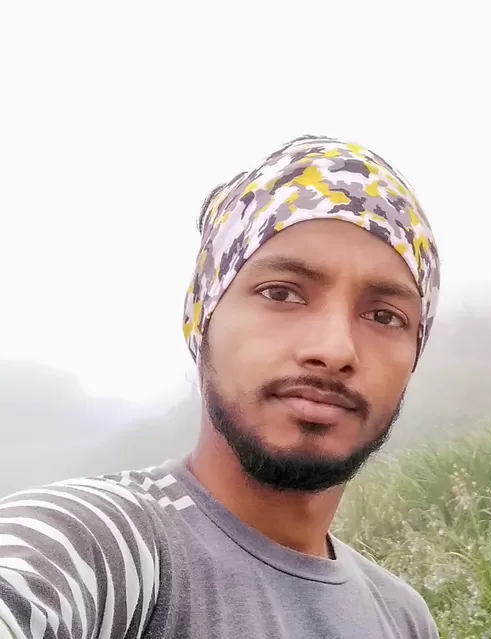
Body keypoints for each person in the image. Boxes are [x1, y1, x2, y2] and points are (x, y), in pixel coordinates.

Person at [0, 135, 442, 638]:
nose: (336, 348)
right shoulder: (100, 544)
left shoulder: (404, 618)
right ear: (204, 319)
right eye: (282, 292)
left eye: (385, 316)